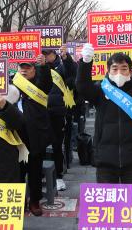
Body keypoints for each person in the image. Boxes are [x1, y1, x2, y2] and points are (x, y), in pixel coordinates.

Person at [76, 43, 132, 183]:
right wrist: (85, 63)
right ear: (108, 70)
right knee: (107, 203)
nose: (119, 73)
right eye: (115, 69)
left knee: (131, 203)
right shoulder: (101, 89)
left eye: (124, 69)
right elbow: (82, 87)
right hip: (105, 158)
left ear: (130, 70)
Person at [15, 54, 53, 216]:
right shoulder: (12, 84)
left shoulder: (39, 85)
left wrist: (43, 66)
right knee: (16, 171)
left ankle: (35, 201)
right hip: (16, 137)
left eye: (28, 67)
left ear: (34, 69)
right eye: (21, 67)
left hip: (35, 137)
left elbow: (46, 82)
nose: (24, 70)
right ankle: (17, 201)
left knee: (35, 171)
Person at [42, 48, 75, 191]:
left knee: (57, 145)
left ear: (54, 54)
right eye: (43, 54)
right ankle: (41, 175)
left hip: (58, 111)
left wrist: (66, 58)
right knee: (39, 146)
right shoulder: (36, 67)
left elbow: (73, 73)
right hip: (40, 112)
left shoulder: (62, 66)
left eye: (47, 54)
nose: (45, 56)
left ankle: (59, 176)